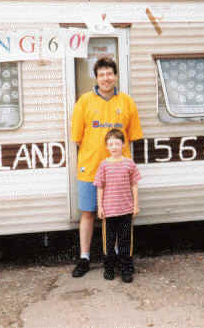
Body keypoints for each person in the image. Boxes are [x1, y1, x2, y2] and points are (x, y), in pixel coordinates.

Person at [70, 57, 143, 278]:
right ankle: (84, 258)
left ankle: (121, 260)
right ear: (96, 77)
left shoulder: (127, 102)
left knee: (121, 217)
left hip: (120, 173)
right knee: (89, 213)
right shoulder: (84, 102)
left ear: (115, 75)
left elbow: (133, 137)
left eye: (109, 73)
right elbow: (77, 138)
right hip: (90, 168)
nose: (106, 78)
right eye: (101, 74)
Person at [94, 128, 141, 283]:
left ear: (123, 144)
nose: (114, 147)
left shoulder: (129, 164)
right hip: (109, 212)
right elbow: (99, 187)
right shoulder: (103, 165)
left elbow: (134, 185)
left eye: (116, 143)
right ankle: (109, 268)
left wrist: (135, 205)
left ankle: (126, 268)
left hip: (126, 210)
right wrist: (100, 207)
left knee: (125, 241)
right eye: (110, 144)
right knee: (109, 243)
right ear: (106, 147)